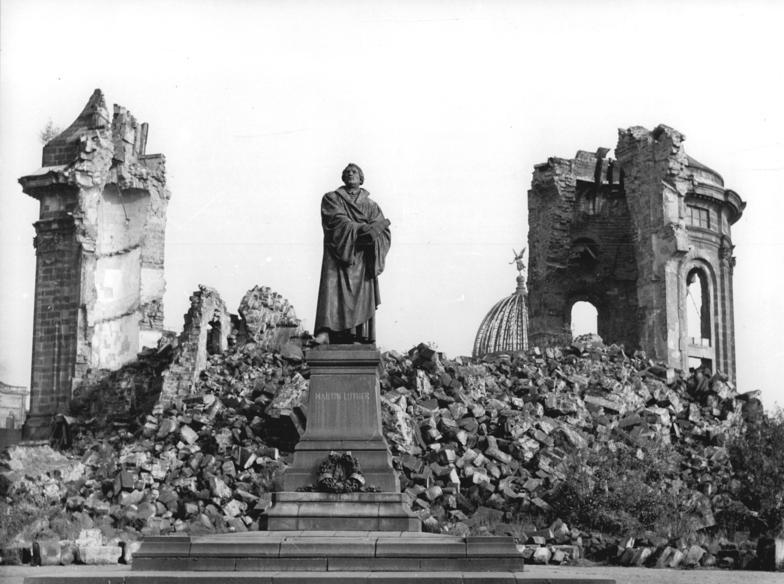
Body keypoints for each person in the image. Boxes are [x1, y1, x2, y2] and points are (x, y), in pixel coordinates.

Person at [314, 163, 391, 344]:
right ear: (343, 177)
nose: (350, 174)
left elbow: (384, 232)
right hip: (338, 254)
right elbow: (335, 220)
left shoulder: (372, 206)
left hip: (362, 258)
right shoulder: (332, 198)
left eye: (354, 171)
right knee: (332, 290)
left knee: (361, 294)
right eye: (347, 172)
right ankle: (326, 332)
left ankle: (358, 335)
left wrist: (375, 235)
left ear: (361, 177)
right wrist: (361, 228)